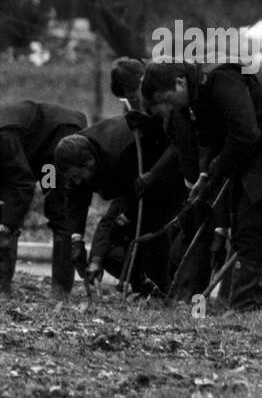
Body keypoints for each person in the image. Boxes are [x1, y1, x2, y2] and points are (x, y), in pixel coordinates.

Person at [141, 58, 262, 311]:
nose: (169, 108)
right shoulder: (197, 93)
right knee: (250, 222)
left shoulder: (221, 79)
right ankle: (259, 301)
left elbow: (246, 133)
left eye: (168, 100)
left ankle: (249, 303)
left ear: (179, 82)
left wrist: (217, 169)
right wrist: (206, 176)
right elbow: (214, 138)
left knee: (254, 222)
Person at [54, 116, 188, 295]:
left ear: (90, 162)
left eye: (79, 176)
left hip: (165, 180)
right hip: (133, 190)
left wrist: (100, 253)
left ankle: (166, 292)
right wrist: (77, 240)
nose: (77, 182)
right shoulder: (73, 154)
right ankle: (144, 287)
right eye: (72, 178)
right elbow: (76, 198)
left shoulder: (119, 157)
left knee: (146, 236)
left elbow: (119, 212)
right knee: (115, 238)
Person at [0, 101, 88, 296]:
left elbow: (22, 183)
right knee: (5, 209)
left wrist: (7, 224)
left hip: (58, 139)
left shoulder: (4, 136)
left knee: (59, 209)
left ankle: (61, 291)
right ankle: (2, 285)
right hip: (37, 148)